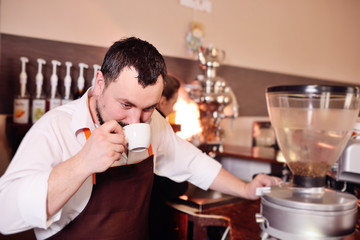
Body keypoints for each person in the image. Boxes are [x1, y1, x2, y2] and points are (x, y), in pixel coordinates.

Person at [0, 37, 281, 240]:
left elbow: (193, 163)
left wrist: (245, 189)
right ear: (99, 83)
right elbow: (6, 215)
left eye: (148, 108)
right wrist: (82, 163)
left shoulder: (153, 123)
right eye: (125, 105)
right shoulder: (54, 129)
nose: (136, 121)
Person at [149, 74, 189, 239]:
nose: (173, 109)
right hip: (153, 213)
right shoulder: (160, 127)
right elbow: (163, 180)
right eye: (173, 103)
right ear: (162, 101)